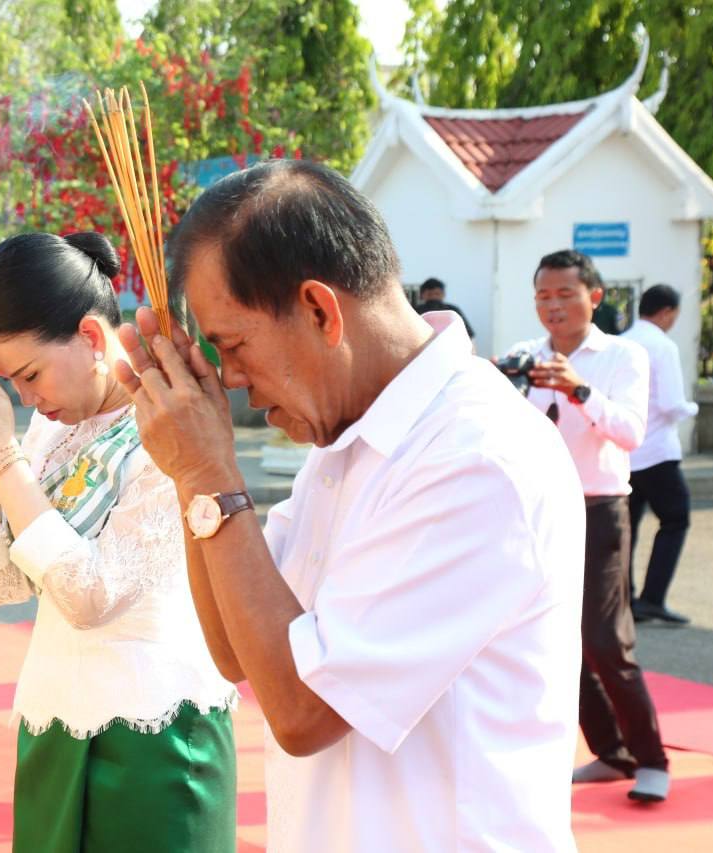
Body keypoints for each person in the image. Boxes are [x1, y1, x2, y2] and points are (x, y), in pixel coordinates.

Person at [115, 159, 585, 851]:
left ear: (319, 310)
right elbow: (236, 651)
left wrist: (209, 470)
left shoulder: (476, 455)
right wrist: (192, 478)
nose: (233, 379)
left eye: (234, 345)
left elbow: (303, 709)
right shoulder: (347, 439)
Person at [0, 231, 238, 852]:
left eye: (30, 375)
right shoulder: (50, 428)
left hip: (156, 728)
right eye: (10, 383)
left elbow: (90, 598)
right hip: (55, 714)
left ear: (90, 337)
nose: (27, 399)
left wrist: (1, 452)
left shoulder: (167, 422)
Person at [506, 249, 669, 802]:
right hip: (537, 511)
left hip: (600, 507)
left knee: (605, 639)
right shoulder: (526, 356)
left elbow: (630, 433)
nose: (552, 306)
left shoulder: (624, 356)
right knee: (552, 638)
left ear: (594, 297)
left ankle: (652, 759)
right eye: (542, 296)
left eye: (564, 294)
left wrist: (578, 389)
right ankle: (612, 752)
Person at [623, 284, 698, 625]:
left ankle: (624, 598)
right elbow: (671, 403)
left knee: (626, 528)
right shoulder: (662, 345)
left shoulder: (622, 342)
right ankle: (652, 598)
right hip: (656, 452)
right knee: (675, 519)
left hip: (625, 449)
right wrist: (692, 408)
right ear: (667, 312)